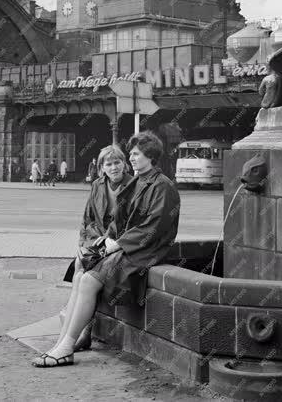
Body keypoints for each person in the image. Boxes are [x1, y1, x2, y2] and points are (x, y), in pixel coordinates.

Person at [32, 132, 180, 368]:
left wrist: (119, 243)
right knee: (81, 277)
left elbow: (153, 227)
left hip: (145, 251)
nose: (130, 158)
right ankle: (63, 343)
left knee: (89, 281)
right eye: (130, 154)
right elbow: (119, 221)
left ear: (149, 156)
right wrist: (106, 239)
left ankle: (67, 346)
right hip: (128, 246)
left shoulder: (162, 186)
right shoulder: (138, 182)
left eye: (135, 154)